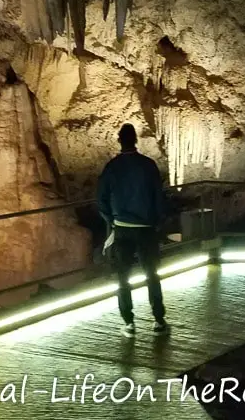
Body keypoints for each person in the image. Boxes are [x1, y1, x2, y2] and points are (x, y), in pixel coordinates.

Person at [96, 123, 169, 336]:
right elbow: (158, 197)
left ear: (120, 141)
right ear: (135, 140)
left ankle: (129, 322)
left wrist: (112, 220)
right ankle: (158, 320)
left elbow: (100, 199)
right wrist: (157, 222)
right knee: (151, 275)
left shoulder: (112, 167)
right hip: (146, 228)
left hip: (123, 229)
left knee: (123, 277)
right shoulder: (148, 165)